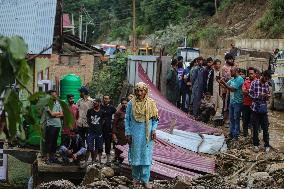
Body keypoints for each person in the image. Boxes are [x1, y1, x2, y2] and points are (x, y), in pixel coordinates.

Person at [125, 82, 159, 189]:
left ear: (145, 91)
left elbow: (155, 119)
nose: (139, 93)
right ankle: (135, 178)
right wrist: (128, 133)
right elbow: (127, 119)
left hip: (147, 135)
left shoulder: (151, 103)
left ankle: (145, 180)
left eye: (141, 90)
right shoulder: (131, 103)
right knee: (135, 156)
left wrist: (153, 130)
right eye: (137, 91)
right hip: (134, 134)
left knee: (146, 156)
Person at [218, 67, 244, 140]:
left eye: (231, 72)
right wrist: (220, 82)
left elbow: (232, 89)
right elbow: (225, 86)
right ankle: (231, 133)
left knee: (236, 119)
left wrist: (224, 83)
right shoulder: (232, 79)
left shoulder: (240, 79)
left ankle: (236, 135)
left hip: (238, 102)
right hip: (232, 102)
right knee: (231, 119)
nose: (230, 73)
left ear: (236, 71)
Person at [249, 70, 271, 153]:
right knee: (255, 128)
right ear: (262, 75)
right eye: (265, 78)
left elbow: (267, 97)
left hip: (263, 109)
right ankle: (256, 145)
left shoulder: (266, 85)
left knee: (265, 128)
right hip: (255, 109)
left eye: (268, 79)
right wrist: (259, 96)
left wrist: (267, 96)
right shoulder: (254, 83)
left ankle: (267, 145)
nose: (266, 80)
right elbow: (250, 94)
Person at [44, 90, 63, 164]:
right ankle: (47, 158)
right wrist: (58, 114)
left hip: (58, 125)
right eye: (53, 95)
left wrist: (55, 114)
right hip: (51, 125)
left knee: (54, 143)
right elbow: (51, 114)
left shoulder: (58, 103)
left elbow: (62, 114)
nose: (55, 96)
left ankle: (53, 157)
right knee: (49, 143)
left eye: (55, 94)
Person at [86, 98, 104, 164]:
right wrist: (90, 126)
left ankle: (93, 160)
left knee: (97, 147)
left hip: (99, 132)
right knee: (89, 147)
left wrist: (99, 127)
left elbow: (103, 121)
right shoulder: (89, 111)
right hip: (90, 131)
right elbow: (87, 119)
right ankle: (86, 161)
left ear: (99, 103)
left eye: (96, 103)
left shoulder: (102, 112)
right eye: (94, 103)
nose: (94, 104)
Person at [101, 95, 117, 165]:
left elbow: (117, 114)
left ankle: (108, 160)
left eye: (107, 99)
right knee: (99, 144)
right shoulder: (100, 107)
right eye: (104, 98)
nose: (105, 100)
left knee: (108, 144)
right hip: (100, 129)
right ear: (103, 99)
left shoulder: (112, 108)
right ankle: (99, 160)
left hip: (108, 129)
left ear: (109, 100)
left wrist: (113, 123)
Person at [112, 97, 128, 163]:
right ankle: (118, 160)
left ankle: (125, 162)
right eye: (123, 103)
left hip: (127, 133)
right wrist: (114, 134)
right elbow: (114, 123)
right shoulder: (118, 112)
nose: (124, 105)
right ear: (121, 104)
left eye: (125, 103)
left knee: (126, 148)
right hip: (120, 133)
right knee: (119, 148)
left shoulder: (131, 112)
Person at [242, 67, 256, 137]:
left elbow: (257, 93)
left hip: (255, 106)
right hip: (246, 104)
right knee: (245, 121)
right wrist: (251, 92)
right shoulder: (246, 82)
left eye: (252, 74)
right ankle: (245, 136)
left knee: (254, 122)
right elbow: (244, 92)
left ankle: (253, 136)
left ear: (255, 74)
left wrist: (248, 91)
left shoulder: (258, 82)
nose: (250, 75)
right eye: (249, 74)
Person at [221, 53, 235, 124]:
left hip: (232, 88)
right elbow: (225, 78)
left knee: (231, 103)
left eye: (232, 59)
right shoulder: (224, 68)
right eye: (230, 59)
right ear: (226, 60)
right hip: (226, 88)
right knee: (226, 104)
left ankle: (230, 118)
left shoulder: (232, 66)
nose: (231, 60)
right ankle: (225, 118)